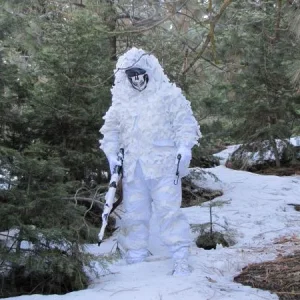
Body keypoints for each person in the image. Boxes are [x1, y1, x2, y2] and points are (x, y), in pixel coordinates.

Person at [99, 48, 201, 275]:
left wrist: (184, 149)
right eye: (131, 75)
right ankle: (135, 257)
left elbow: (185, 123)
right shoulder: (121, 103)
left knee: (169, 211)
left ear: (148, 72)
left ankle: (180, 257)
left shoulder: (168, 95)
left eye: (139, 73)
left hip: (164, 166)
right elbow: (111, 132)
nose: (135, 79)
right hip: (135, 169)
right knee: (135, 213)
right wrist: (112, 155)